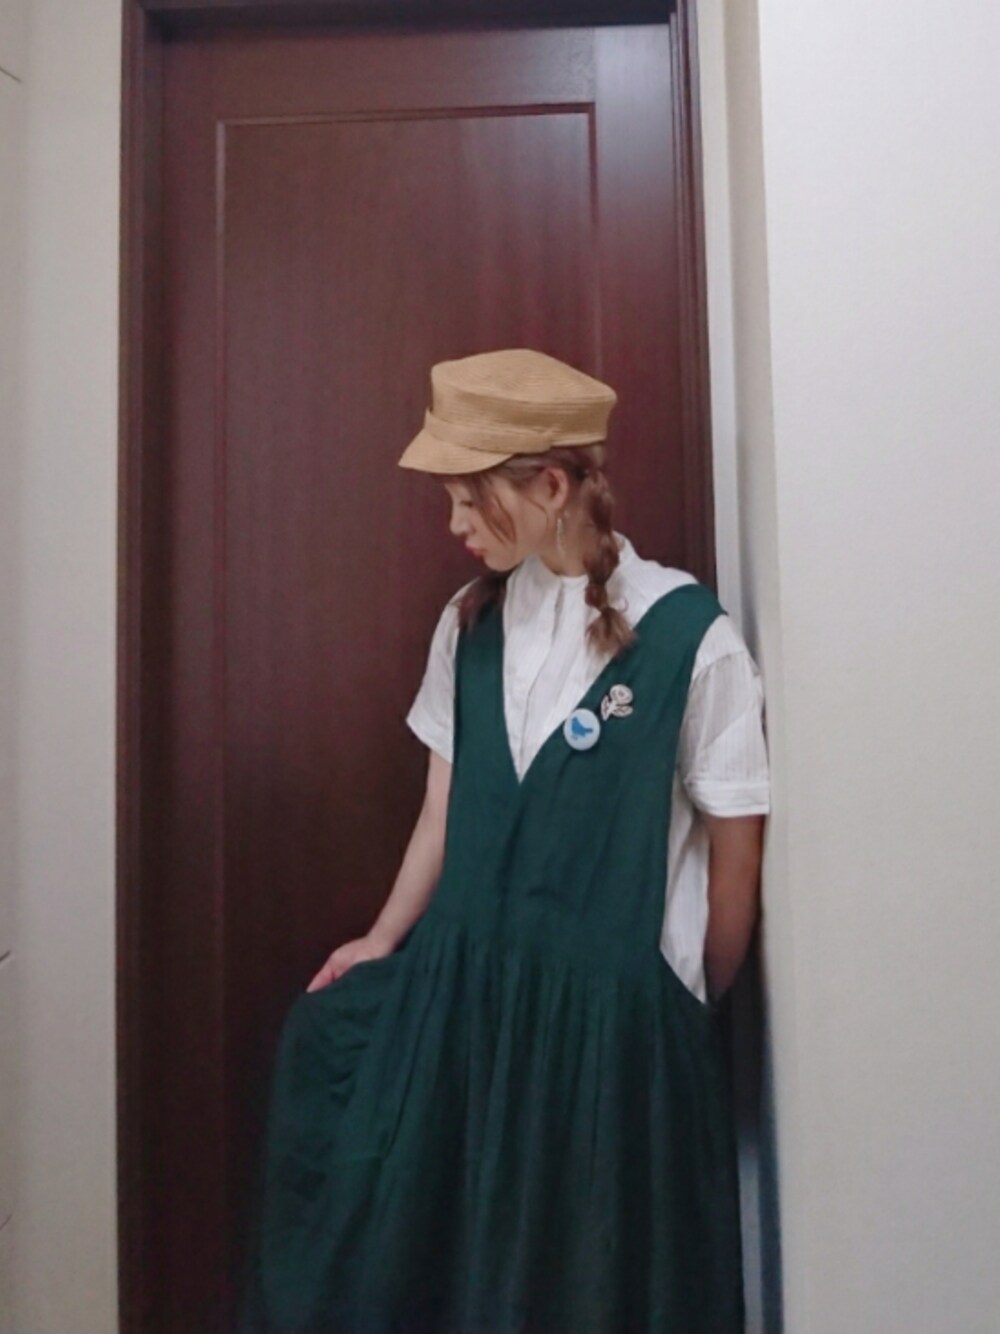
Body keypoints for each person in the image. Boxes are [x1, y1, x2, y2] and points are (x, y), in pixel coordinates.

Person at [240, 348, 770, 1333]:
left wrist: (679, 998)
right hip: (470, 1007)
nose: (453, 525)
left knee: (582, 1283)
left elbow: (736, 860)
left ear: (552, 487)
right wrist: (382, 938)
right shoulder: (469, 624)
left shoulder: (692, 640)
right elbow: (441, 811)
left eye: (467, 499)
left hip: (609, 1034)